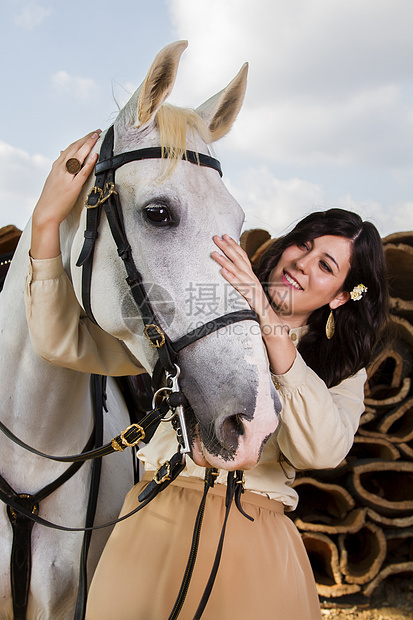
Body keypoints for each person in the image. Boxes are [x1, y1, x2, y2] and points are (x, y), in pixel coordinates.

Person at [25, 133, 390, 620]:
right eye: (302, 245)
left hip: (253, 541)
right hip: (148, 525)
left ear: (342, 296)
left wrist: (268, 320)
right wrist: (46, 222)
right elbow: (63, 342)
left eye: (325, 266)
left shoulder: (343, 373)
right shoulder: (197, 317)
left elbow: (321, 450)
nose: (301, 264)